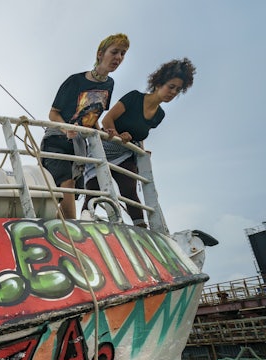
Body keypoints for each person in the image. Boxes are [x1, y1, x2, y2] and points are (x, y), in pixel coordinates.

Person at [83, 57, 196, 227]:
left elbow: (139, 135)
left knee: (129, 189)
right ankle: (83, 224)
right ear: (159, 83)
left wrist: (143, 151)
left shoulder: (159, 115)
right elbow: (107, 120)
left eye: (178, 90)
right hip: (107, 147)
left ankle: (141, 229)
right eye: (171, 87)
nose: (173, 92)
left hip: (127, 152)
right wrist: (119, 135)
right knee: (93, 190)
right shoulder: (134, 98)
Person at [41, 33, 129, 219]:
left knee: (66, 195)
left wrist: (103, 131)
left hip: (80, 146)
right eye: (114, 52)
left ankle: (61, 231)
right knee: (66, 185)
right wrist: (66, 129)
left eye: (123, 54)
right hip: (58, 139)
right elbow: (53, 113)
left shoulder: (110, 85)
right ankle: (73, 231)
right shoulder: (75, 81)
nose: (119, 58)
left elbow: (91, 117)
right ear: (100, 54)